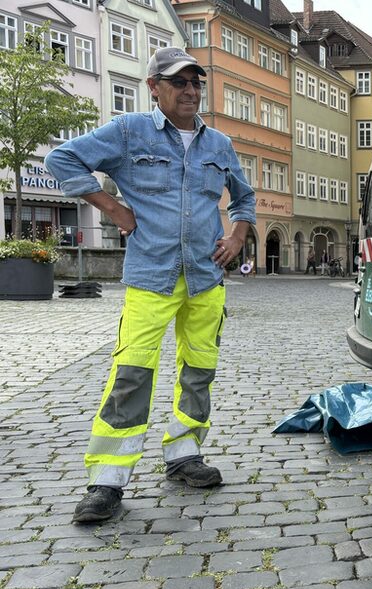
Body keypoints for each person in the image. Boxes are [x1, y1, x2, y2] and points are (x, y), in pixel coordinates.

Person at [45, 47, 256, 523]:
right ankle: (107, 481)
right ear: (154, 87)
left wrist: (238, 234)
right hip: (151, 276)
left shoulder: (218, 144)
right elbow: (63, 158)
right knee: (132, 375)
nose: (190, 90)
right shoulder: (127, 133)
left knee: (198, 371)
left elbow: (244, 196)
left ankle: (184, 455)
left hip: (205, 278)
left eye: (196, 82)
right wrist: (112, 207)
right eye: (179, 82)